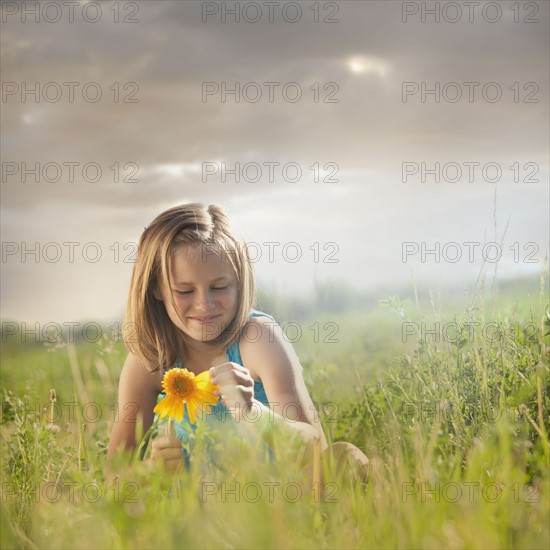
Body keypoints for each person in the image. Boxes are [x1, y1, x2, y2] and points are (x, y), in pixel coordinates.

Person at [106, 203, 368, 490]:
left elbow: (314, 445)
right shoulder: (149, 360)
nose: (204, 304)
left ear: (239, 281)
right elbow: (115, 477)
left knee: (345, 457)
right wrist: (151, 471)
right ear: (156, 287)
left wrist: (253, 413)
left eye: (219, 287)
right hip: (199, 511)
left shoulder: (258, 338)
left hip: (279, 501)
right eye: (185, 291)